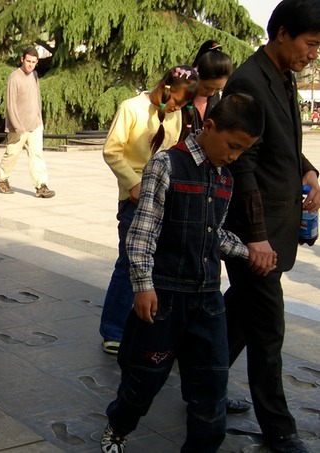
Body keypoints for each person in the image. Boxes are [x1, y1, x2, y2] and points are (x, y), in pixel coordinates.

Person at [102, 94, 269, 453]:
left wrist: (248, 251)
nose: (234, 156)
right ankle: (118, 424)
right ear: (209, 127)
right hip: (163, 298)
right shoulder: (166, 165)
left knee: (212, 388)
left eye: (243, 151)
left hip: (207, 300)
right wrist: (143, 286)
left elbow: (214, 235)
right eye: (232, 145)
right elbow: (143, 232)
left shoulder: (225, 178)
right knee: (143, 381)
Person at [222, 1, 320, 451]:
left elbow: (283, 144)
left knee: (239, 317)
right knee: (269, 329)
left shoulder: (283, 76)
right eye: (311, 44)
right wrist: (256, 238)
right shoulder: (247, 81)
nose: (313, 55)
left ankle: (202, 380)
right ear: (282, 33)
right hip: (254, 232)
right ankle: (278, 427)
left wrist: (309, 170)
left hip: (277, 227)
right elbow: (243, 164)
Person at [98, 66, 199, 355]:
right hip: (134, 196)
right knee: (129, 262)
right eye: (176, 101)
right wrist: (132, 183)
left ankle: (153, 325)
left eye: (182, 105)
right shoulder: (131, 108)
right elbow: (112, 151)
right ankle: (114, 330)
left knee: (161, 263)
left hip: (164, 196)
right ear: (166, 86)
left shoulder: (176, 114)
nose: (177, 107)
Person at [0, 47, 55, 198]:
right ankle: (2, 179)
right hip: (19, 126)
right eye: (28, 61)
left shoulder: (34, 75)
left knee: (37, 155)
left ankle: (41, 185)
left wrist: (39, 118)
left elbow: (36, 97)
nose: (30, 65)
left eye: (33, 62)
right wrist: (16, 125)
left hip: (34, 124)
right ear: (22, 59)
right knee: (12, 153)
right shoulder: (14, 77)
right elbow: (10, 104)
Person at [179, 40, 233, 139]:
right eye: (207, 88)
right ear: (197, 76)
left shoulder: (216, 100)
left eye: (218, 89)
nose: (212, 93)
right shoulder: (180, 98)